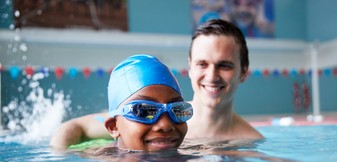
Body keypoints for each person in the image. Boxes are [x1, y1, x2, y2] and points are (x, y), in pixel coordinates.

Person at [50, 19, 263, 149]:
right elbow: (73, 127)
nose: (212, 75)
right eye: (202, 64)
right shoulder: (142, 115)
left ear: (243, 72)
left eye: (224, 65)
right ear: (190, 67)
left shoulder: (249, 141)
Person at [79, 54, 193, 152]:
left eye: (177, 110)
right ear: (113, 127)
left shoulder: (195, 156)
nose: (166, 125)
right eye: (144, 111)